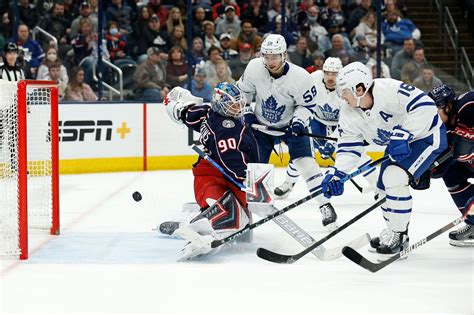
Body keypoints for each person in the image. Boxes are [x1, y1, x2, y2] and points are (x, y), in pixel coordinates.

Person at [323, 62, 447, 257]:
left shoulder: (389, 90)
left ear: (360, 88)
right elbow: (349, 145)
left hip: (427, 135)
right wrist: (338, 174)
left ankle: (398, 235)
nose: (342, 96)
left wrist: (405, 133)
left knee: (393, 177)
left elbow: (425, 105)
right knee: (381, 187)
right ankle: (395, 231)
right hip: (400, 143)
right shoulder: (349, 111)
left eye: (344, 91)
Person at [236, 34, 338, 229]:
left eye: (274, 56)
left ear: (284, 55)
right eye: (266, 56)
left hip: (290, 126)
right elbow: (242, 94)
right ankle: (245, 210)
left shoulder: (301, 77)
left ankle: (325, 204)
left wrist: (299, 123)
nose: (270, 61)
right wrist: (247, 113)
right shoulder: (254, 67)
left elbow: (308, 106)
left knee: (307, 164)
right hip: (260, 126)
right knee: (253, 167)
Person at [161, 83, 259, 260]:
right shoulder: (227, 127)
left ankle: (196, 221)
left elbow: (187, 114)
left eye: (239, 103)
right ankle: (195, 231)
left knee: (239, 212)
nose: (238, 107)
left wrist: (178, 108)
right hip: (213, 174)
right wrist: (247, 180)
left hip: (222, 171)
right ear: (221, 103)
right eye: (233, 104)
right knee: (221, 208)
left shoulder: (207, 112)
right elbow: (232, 159)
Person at [274, 57, 379, 200]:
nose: (330, 77)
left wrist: (331, 143)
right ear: (322, 72)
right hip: (316, 121)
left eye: (334, 74)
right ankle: (288, 183)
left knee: (358, 153)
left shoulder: (345, 88)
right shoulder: (312, 80)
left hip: (340, 124)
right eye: (327, 73)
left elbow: (345, 121)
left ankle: (377, 186)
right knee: (302, 153)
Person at [428, 85, 473, 247]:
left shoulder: (468, 105)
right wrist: (427, 171)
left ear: (447, 106)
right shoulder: (443, 127)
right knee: (451, 173)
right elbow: (441, 165)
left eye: (435, 112)